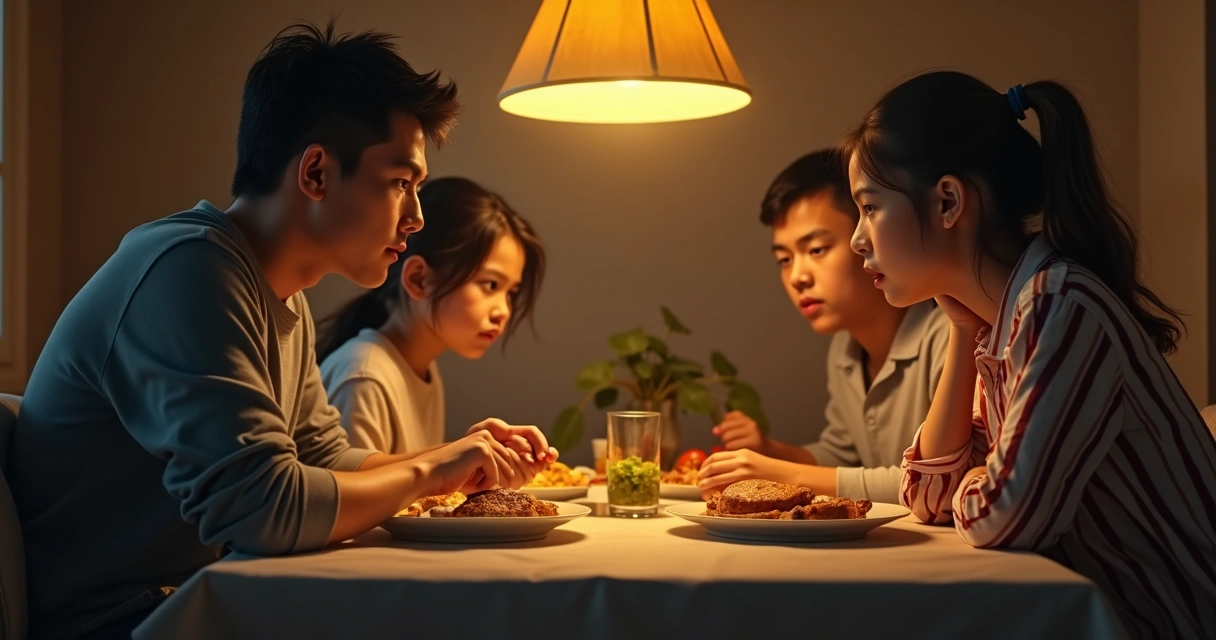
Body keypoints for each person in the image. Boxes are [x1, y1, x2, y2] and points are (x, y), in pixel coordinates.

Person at [10, 21, 553, 639]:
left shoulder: (278, 292)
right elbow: (261, 510)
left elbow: (324, 458)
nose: (416, 218)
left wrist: (456, 456)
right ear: (316, 172)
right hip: (117, 621)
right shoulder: (188, 271)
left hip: (199, 598)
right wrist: (432, 473)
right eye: (401, 183)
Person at [844, 69, 1216, 637]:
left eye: (870, 208)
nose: (857, 239)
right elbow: (927, 496)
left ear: (948, 201)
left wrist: (982, 480)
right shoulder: (1004, 323)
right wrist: (962, 332)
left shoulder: (1060, 305)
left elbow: (1007, 517)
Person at [698, 149, 948, 504]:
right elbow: (844, 456)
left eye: (816, 249)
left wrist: (781, 473)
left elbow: (939, 481)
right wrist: (769, 451)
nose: (797, 277)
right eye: (784, 259)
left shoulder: (949, 333)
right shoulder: (845, 349)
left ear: (867, 234)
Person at [318, 176, 545, 455]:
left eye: (510, 292)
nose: (504, 311)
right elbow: (347, 484)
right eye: (490, 285)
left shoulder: (422, 370)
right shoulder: (364, 377)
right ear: (419, 279)